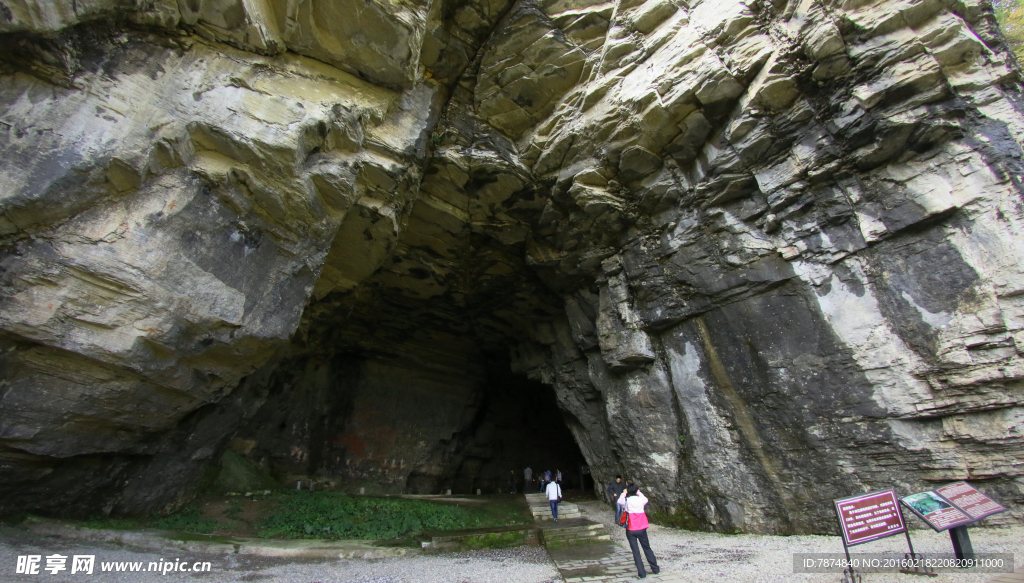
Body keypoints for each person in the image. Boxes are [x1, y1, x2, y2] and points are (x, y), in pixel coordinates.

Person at [618, 483, 659, 579]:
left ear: (628, 491)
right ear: (636, 490)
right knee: (647, 548)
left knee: (635, 551)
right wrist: (639, 492)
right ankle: (655, 569)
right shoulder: (641, 500)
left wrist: (624, 493)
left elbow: (619, 501)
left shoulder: (626, 501)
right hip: (642, 528)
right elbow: (646, 499)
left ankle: (642, 573)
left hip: (630, 528)